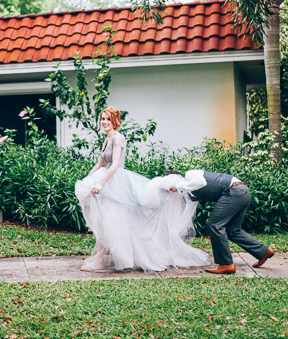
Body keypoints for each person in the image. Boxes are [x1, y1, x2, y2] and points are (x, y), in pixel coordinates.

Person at [75, 107, 209, 272]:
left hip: (116, 183)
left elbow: (115, 165)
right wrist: (88, 178)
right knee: (104, 222)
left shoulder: (118, 138)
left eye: (108, 119)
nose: (104, 122)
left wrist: (100, 183)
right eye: (102, 119)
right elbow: (100, 163)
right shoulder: (106, 140)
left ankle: (134, 256)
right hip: (107, 180)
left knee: (116, 222)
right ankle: (100, 260)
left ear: (115, 121)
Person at [168, 169, 275, 274]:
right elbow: (187, 214)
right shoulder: (191, 193)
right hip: (241, 193)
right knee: (233, 230)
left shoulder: (190, 175)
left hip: (235, 190)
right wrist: (175, 233)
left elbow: (201, 182)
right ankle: (263, 251)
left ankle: (226, 264)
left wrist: (178, 187)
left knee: (214, 225)